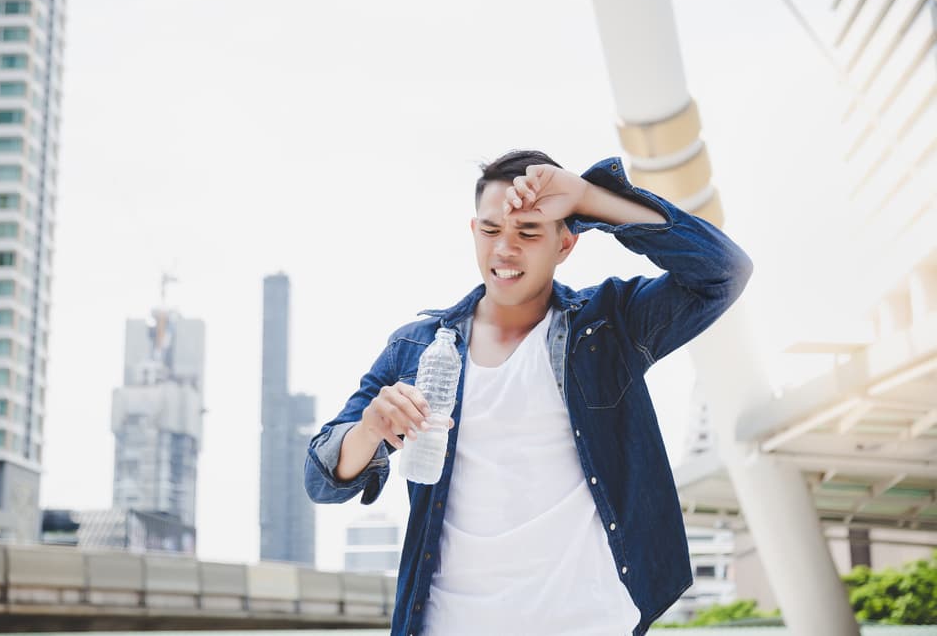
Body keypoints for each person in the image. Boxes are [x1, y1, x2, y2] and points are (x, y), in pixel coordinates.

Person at [304, 150, 753, 636]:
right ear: (474, 231)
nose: (505, 249)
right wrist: (369, 430)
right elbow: (321, 479)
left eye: (529, 232)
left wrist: (589, 197)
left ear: (566, 243)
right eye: (491, 230)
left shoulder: (608, 327)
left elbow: (722, 273)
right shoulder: (415, 348)